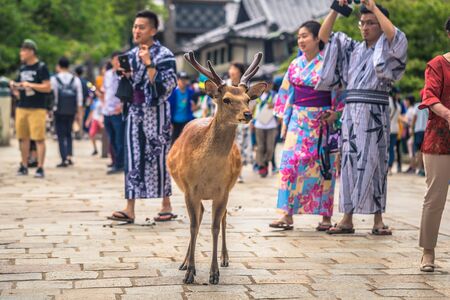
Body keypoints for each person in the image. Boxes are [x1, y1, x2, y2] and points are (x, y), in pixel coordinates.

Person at [317, 0, 408, 234]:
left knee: (376, 163)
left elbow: (396, 38)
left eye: (371, 23)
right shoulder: (352, 49)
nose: (365, 27)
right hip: (351, 110)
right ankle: (347, 218)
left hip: (375, 111)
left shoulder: (386, 49)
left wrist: (375, 7)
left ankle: (378, 220)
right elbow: (324, 37)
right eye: (362, 23)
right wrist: (337, 8)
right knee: (348, 163)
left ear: (380, 24)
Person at [269, 20, 343, 230]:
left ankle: (326, 216)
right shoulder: (294, 64)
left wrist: (335, 114)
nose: (300, 40)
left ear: (317, 37)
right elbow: (287, 93)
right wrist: (284, 120)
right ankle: (286, 214)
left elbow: (338, 93)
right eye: (299, 36)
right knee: (289, 165)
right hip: (298, 121)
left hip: (322, 121)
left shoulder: (329, 64)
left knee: (323, 167)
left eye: (305, 36)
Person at [107, 10, 178, 223]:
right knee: (133, 157)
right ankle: (130, 208)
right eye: (135, 26)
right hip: (134, 113)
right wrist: (126, 75)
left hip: (156, 114)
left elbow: (167, 86)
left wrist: (148, 63)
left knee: (159, 157)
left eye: (142, 27)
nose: (136, 31)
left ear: (153, 30)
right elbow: (127, 86)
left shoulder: (165, 55)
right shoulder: (130, 55)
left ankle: (166, 204)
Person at [417, 17, 450, 273]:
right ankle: (428, 253)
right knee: (435, 197)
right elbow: (429, 95)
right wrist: (448, 114)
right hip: (440, 140)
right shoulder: (438, 64)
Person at [9, 39, 51, 178]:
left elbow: (47, 87)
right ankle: (24, 165)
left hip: (37, 108)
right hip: (22, 106)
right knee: (22, 138)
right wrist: (16, 86)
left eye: (23, 51)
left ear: (31, 52)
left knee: (39, 138)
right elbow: (21, 85)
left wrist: (31, 85)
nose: (21, 53)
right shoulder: (22, 68)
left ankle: (40, 167)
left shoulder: (41, 67)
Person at [50, 57, 83, 167]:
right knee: (69, 134)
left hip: (58, 110)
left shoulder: (54, 79)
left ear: (58, 66)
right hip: (71, 111)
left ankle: (63, 158)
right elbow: (79, 98)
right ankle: (69, 156)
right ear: (68, 66)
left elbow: (53, 96)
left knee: (60, 135)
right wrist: (79, 113)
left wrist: (51, 109)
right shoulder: (75, 79)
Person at [228, 62, 253, 183]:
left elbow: (251, 105)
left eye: (234, 69)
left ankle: (238, 173)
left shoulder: (246, 87)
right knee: (227, 148)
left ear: (240, 72)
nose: (231, 71)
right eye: (231, 69)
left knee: (240, 148)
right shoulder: (225, 85)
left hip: (241, 123)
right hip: (227, 123)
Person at [103, 51, 125, 174]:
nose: (117, 62)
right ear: (111, 61)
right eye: (115, 60)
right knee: (111, 138)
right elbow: (106, 91)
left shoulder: (123, 74)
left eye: (120, 60)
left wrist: (121, 106)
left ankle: (120, 163)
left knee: (119, 139)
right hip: (107, 110)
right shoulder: (107, 74)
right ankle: (116, 161)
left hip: (118, 111)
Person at [253, 77, 278, 178]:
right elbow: (252, 108)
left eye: (269, 84)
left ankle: (265, 162)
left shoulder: (275, 95)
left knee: (270, 147)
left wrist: (274, 106)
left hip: (271, 125)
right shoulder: (257, 95)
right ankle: (262, 166)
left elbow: (280, 107)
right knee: (260, 147)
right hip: (259, 124)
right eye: (265, 84)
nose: (267, 86)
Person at [168, 71, 196, 144]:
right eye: (181, 79)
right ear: (177, 80)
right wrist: (169, 122)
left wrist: (194, 106)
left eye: (185, 79)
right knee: (174, 142)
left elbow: (194, 105)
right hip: (174, 122)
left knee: (186, 142)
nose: (183, 81)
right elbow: (169, 107)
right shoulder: (173, 93)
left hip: (186, 121)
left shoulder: (190, 92)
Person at [411, 93, 428, 177]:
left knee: (418, 150)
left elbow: (414, 118)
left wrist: (411, 128)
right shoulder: (429, 106)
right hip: (426, 131)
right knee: (424, 151)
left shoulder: (417, 105)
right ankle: (424, 169)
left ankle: (419, 168)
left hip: (418, 130)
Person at [388, 88, 402, 175]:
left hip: (388, 129)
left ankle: (386, 167)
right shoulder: (398, 105)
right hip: (395, 129)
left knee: (386, 149)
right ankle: (390, 168)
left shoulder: (388, 101)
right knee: (392, 150)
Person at [402, 95, 416, 174]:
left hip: (410, 131)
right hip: (411, 131)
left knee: (411, 148)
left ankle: (412, 166)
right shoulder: (412, 109)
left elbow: (407, 121)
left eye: (406, 100)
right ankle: (412, 166)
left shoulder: (410, 110)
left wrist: (401, 118)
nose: (405, 102)